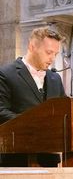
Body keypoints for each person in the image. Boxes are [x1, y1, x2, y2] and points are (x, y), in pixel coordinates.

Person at [0, 27, 67, 166]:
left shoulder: (55, 78)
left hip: (49, 160)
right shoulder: (6, 74)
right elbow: (1, 111)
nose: (53, 59)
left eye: (56, 54)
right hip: (17, 158)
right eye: (49, 52)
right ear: (32, 47)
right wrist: (33, 125)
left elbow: (64, 111)